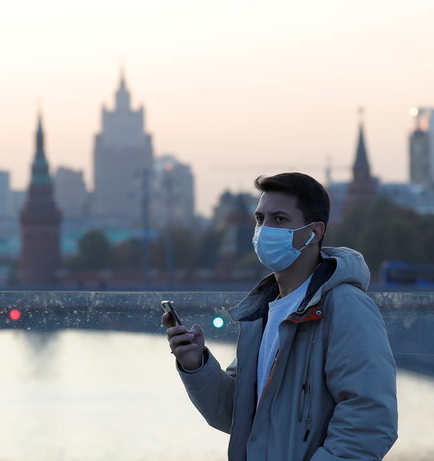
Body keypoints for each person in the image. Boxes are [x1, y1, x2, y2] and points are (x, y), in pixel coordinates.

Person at [163, 172, 398, 461]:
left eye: (279, 219)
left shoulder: (346, 306)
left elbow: (370, 421)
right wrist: (196, 364)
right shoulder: (262, 312)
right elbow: (237, 415)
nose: (265, 229)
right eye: (260, 218)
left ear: (315, 232)